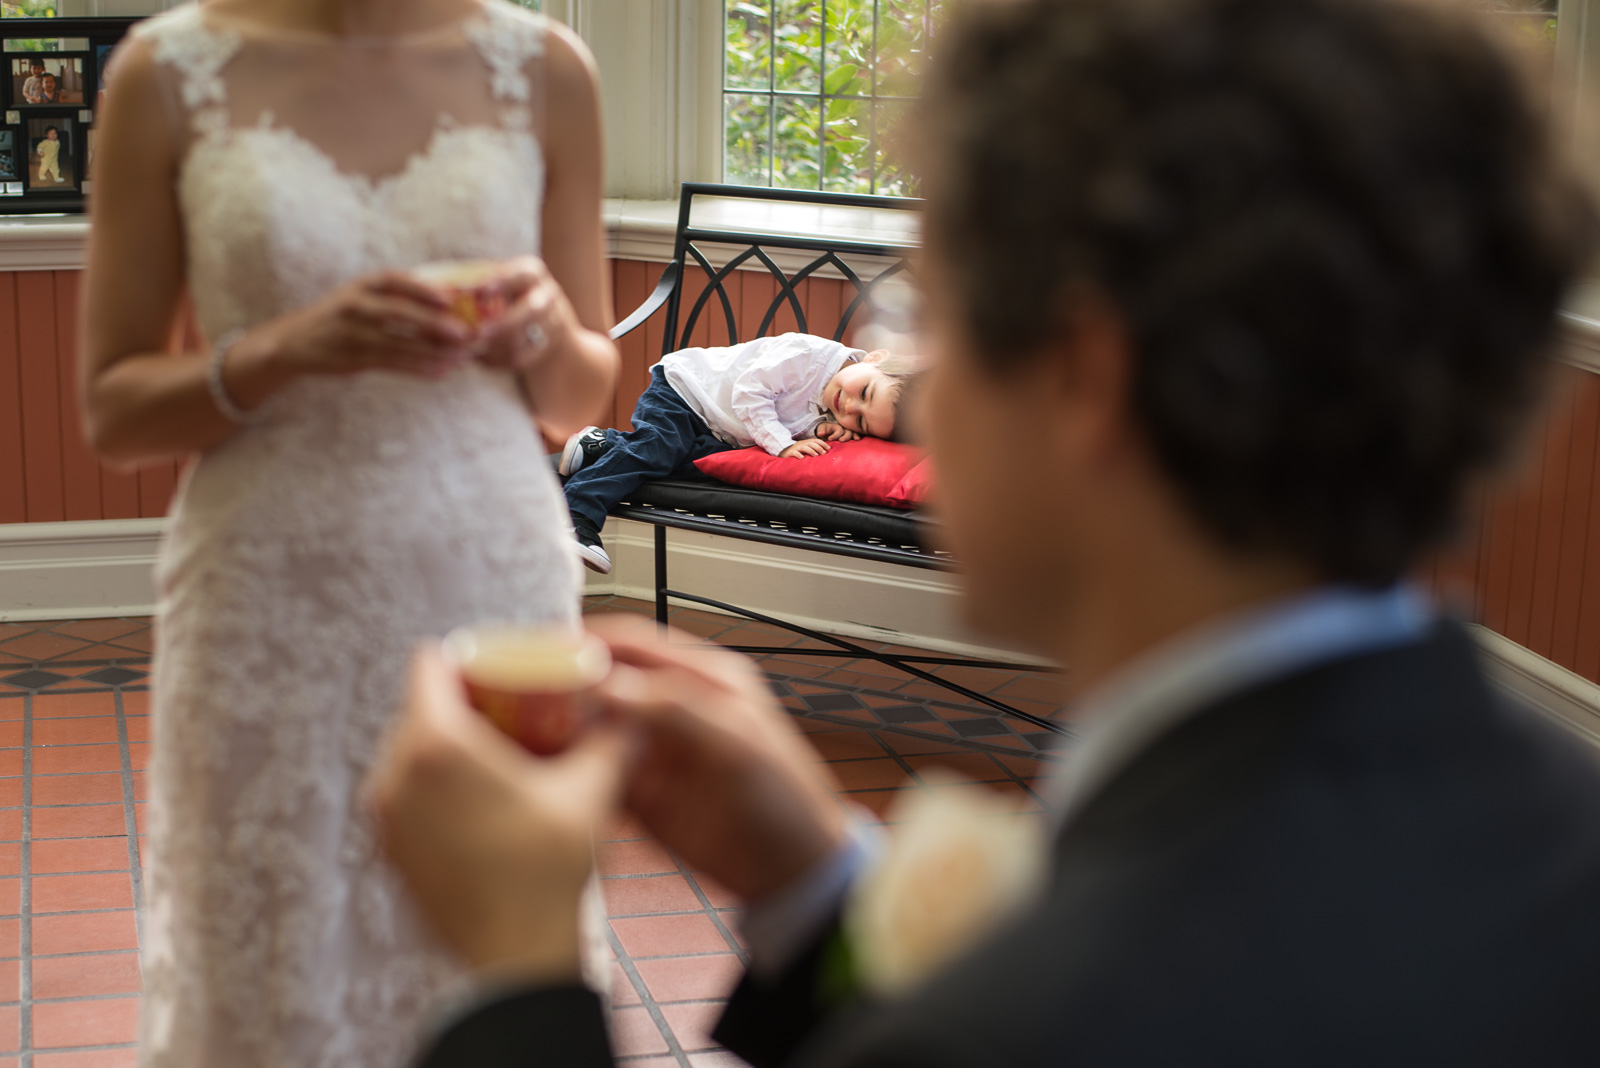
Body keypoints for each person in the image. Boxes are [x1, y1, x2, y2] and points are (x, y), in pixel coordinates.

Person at [371, 0, 1600, 1064]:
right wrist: (816, 891)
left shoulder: (1027, 1022)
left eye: (931, 321)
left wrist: (521, 977)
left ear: (1083, 382)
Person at [77, 0, 618, 1063]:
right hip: (264, 597)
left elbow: (579, 398)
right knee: (273, 955)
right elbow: (112, 410)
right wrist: (287, 347)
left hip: (490, 585)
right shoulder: (165, 72)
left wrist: (545, 324)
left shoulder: (546, 68)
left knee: (485, 949)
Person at [557, 332, 920, 574]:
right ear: (874, 357)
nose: (850, 406)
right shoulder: (809, 356)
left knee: (705, 465)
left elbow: (798, 420)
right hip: (685, 392)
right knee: (657, 450)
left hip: (717, 428)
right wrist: (785, 445)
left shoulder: (834, 404)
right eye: (866, 392)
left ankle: (601, 447)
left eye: (861, 421)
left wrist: (822, 429)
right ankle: (578, 514)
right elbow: (749, 392)